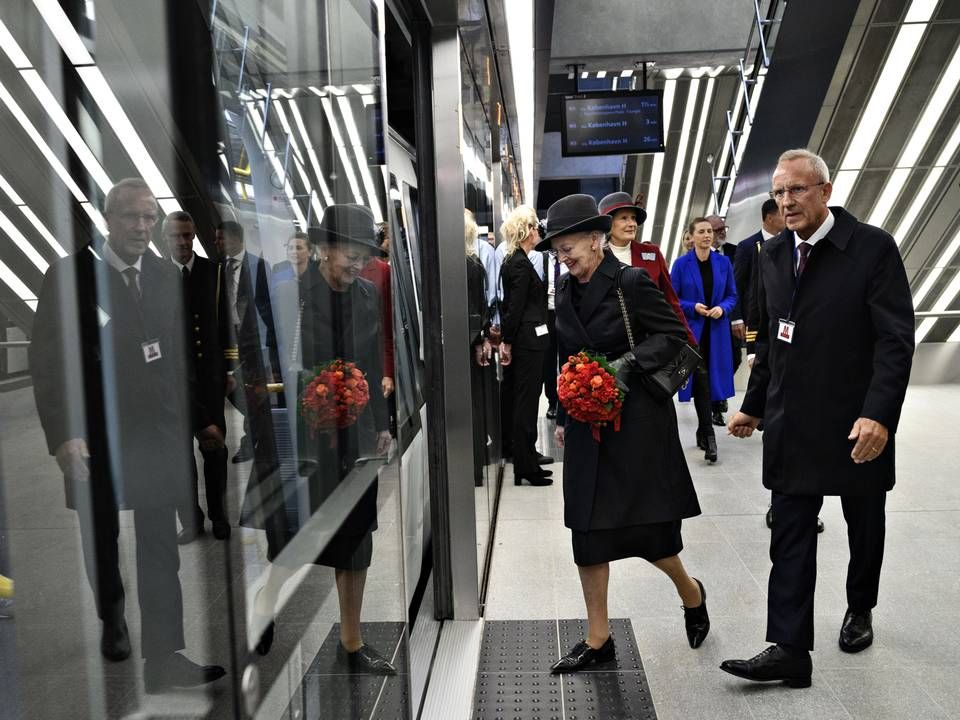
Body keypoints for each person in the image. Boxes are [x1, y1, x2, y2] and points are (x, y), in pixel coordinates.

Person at [720, 149, 915, 688]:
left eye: (797, 190)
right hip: (793, 421)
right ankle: (788, 648)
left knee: (864, 523)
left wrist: (879, 414)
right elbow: (773, 338)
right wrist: (754, 405)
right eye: (780, 193)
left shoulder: (871, 248)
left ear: (825, 192)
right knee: (789, 530)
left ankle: (860, 608)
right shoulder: (773, 254)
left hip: (857, 423)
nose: (787, 202)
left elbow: (896, 341)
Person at [30, 178, 225, 692]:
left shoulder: (164, 276)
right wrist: (64, 434)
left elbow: (180, 357)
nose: (141, 228)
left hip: (156, 434)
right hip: (96, 438)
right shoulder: (70, 278)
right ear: (108, 220)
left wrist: (203, 418)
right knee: (102, 536)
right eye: (131, 218)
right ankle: (112, 618)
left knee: (161, 543)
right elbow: (49, 363)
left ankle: (165, 653)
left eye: (149, 219)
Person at [541, 194, 708, 673]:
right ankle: (599, 639)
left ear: (596, 240)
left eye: (569, 247)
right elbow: (564, 355)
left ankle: (691, 593)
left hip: (634, 426)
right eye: (557, 251)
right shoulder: (564, 292)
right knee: (587, 532)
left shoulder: (631, 282)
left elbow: (677, 338)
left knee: (652, 535)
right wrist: (561, 411)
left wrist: (625, 365)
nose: (563, 257)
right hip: (586, 426)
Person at [253, 204, 395, 674]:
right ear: (323, 250)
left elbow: (372, 365)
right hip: (304, 439)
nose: (357, 265)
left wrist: (381, 424)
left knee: (356, 538)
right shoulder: (289, 295)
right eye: (349, 255)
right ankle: (267, 599)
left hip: (353, 438)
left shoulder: (368, 295)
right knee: (297, 538)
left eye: (362, 257)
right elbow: (262, 367)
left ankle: (352, 641)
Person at [599, 191, 718, 462]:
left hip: (657, 344)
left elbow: (670, 300)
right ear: (608, 223)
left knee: (662, 398)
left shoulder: (650, 254)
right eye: (624, 218)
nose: (631, 223)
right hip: (618, 348)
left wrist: (687, 338)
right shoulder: (599, 258)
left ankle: (701, 436)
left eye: (633, 218)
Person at [163, 211, 232, 543]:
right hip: (172, 384)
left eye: (188, 236)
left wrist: (229, 370)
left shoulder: (213, 272)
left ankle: (219, 516)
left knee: (215, 451)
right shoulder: (156, 275)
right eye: (177, 236)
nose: (183, 242)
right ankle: (190, 520)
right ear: (166, 238)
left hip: (208, 380)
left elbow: (226, 325)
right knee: (179, 460)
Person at [499, 205, 553, 486]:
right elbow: (514, 308)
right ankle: (525, 464)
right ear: (524, 231)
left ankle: (527, 459)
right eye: (533, 227)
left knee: (526, 402)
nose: (537, 231)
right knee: (526, 403)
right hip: (526, 343)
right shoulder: (519, 264)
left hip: (528, 341)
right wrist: (507, 341)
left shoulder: (517, 260)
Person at [671, 218, 738, 427]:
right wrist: (693, 307)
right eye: (701, 231)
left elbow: (732, 295)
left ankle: (710, 421)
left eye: (710, 231)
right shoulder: (681, 264)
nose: (707, 235)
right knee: (699, 376)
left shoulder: (723, 263)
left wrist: (723, 308)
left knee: (714, 375)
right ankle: (706, 426)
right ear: (691, 237)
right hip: (694, 330)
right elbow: (673, 299)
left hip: (717, 330)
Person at [219, 220, 276, 464]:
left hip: (254, 341)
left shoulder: (259, 266)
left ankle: (252, 441)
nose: (217, 243)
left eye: (220, 238)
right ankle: (255, 436)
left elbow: (267, 305)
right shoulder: (219, 267)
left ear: (235, 238)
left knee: (255, 391)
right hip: (229, 339)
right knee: (233, 390)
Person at [707, 214, 744, 389]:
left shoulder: (736, 251)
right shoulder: (700, 256)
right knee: (711, 363)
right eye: (718, 230)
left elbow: (740, 287)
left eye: (724, 228)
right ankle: (715, 402)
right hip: (710, 318)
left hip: (733, 316)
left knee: (735, 358)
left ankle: (718, 389)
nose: (723, 232)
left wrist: (739, 317)